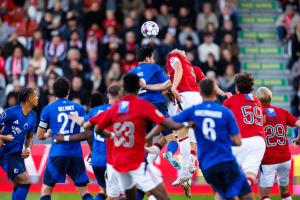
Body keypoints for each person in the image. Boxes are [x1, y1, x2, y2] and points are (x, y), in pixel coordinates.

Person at [147, 78, 255, 200]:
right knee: (247, 196)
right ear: (215, 92)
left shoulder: (194, 111)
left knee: (222, 195)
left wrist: (148, 137)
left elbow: (166, 123)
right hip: (226, 161)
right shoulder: (225, 112)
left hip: (208, 165)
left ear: (200, 93)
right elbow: (238, 141)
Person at [94, 74, 184, 200]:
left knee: (127, 196)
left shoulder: (115, 108)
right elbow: (165, 122)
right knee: (160, 194)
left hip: (118, 162)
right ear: (138, 88)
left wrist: (112, 135)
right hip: (136, 161)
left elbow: (97, 129)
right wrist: (184, 123)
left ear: (124, 88)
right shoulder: (143, 105)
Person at [165, 48, 231, 185]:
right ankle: (191, 162)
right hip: (197, 97)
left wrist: (174, 88)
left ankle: (184, 170)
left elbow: (178, 70)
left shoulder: (173, 56)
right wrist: (223, 93)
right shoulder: (194, 68)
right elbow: (208, 83)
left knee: (180, 132)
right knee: (192, 133)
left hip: (186, 96)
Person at [55, 87, 121, 200]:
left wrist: (76, 119)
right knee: (117, 194)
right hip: (111, 160)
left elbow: (84, 124)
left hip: (96, 160)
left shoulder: (94, 111)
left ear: (108, 96)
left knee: (103, 191)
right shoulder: (119, 110)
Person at [37, 77, 93, 200]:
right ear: (68, 90)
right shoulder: (79, 108)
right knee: (84, 190)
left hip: (57, 153)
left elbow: (39, 135)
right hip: (76, 154)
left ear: (53, 91)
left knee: (46, 190)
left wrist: (48, 134)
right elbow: (88, 132)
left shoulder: (48, 109)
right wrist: (92, 150)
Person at [129, 45, 180, 170]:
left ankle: (143, 168)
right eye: (152, 57)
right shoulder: (154, 67)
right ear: (147, 58)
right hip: (156, 105)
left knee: (146, 141)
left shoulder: (131, 73)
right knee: (172, 135)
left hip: (139, 108)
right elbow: (167, 84)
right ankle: (169, 153)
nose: (153, 60)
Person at [256, 87, 300, 200]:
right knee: (285, 192)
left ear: (258, 99)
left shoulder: (258, 114)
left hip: (268, 160)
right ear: (270, 98)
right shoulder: (281, 111)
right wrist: (298, 138)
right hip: (285, 158)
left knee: (264, 195)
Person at [223, 72, 266, 187]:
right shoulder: (257, 100)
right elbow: (263, 119)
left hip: (241, 140)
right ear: (251, 87)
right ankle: (246, 185)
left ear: (237, 87)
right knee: (250, 173)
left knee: (227, 176)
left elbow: (221, 117)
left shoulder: (231, 100)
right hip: (259, 141)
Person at [0, 87, 39, 200]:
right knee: (26, 182)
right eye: (35, 96)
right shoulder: (12, 111)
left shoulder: (33, 116)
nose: (37, 98)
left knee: (18, 184)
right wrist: (4, 137)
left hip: (18, 154)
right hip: (6, 153)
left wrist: (28, 148)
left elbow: (30, 137)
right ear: (30, 98)